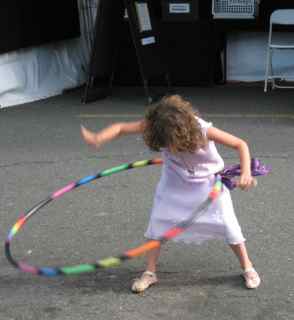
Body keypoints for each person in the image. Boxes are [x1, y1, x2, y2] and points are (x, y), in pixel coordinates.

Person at [80, 95, 261, 293]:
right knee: (157, 224)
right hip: (174, 183)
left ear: (182, 132)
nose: (169, 147)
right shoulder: (158, 126)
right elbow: (121, 128)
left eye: (171, 142)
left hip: (208, 184)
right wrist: (99, 138)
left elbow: (240, 144)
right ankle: (150, 272)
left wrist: (246, 173)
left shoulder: (203, 130)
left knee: (227, 223)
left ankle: (248, 267)